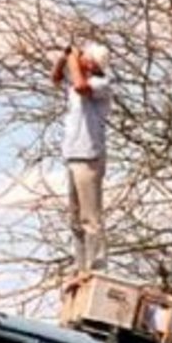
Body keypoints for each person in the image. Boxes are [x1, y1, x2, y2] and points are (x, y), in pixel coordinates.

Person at [51, 42, 111, 278]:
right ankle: (81, 265)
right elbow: (56, 78)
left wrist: (74, 58)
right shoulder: (78, 75)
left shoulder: (101, 83)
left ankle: (96, 268)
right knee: (75, 217)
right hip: (73, 154)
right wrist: (63, 58)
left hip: (90, 156)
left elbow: (80, 86)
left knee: (91, 217)